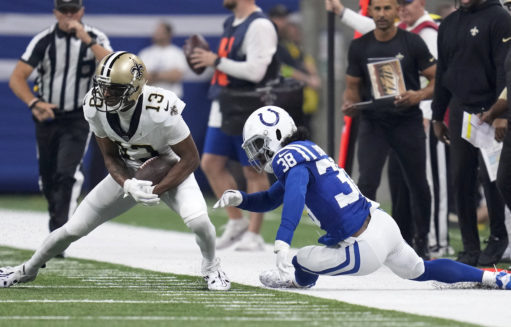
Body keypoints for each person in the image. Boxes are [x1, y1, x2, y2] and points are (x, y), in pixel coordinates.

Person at [0, 52, 231, 291]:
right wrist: (129, 185)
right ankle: (26, 270)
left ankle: (212, 267)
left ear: (134, 88)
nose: (106, 93)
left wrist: (157, 189)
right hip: (129, 170)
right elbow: (110, 157)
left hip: (171, 168)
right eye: (103, 86)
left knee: (199, 222)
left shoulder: (160, 107)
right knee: (73, 229)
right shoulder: (94, 104)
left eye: (115, 88)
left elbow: (190, 158)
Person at [213, 105, 511, 290]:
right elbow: (271, 197)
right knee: (420, 269)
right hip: (383, 225)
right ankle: (494, 279)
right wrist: (240, 198)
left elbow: (294, 194)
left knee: (302, 259)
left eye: (259, 144)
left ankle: (295, 280)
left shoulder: (289, 158)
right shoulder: (306, 151)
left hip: (364, 246)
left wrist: (282, 240)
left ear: (277, 134)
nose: (258, 154)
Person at [326, 0, 447, 259]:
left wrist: (418, 95)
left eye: (387, 8)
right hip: (374, 123)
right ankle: (364, 241)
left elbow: (438, 80)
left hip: (407, 122)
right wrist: (349, 104)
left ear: (396, 11)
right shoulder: (360, 46)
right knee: (367, 181)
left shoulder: (412, 42)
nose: (382, 14)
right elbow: (352, 87)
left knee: (418, 184)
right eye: (377, 9)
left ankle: (422, 241)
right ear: (370, 12)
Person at [9, 0, 112, 237]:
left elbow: (112, 65)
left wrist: (86, 39)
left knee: (67, 174)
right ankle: (58, 223)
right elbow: (17, 77)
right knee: (48, 179)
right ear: (55, 13)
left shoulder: (95, 37)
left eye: (73, 10)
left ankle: (59, 235)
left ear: (82, 11)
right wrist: (34, 103)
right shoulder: (43, 41)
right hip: (48, 116)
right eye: (64, 10)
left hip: (78, 116)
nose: (69, 15)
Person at [189, 0, 280, 251]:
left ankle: (254, 233)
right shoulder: (231, 22)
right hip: (225, 100)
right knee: (211, 163)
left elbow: (255, 72)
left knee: (254, 170)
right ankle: (237, 222)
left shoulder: (260, 25)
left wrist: (215, 60)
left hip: (249, 104)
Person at [432, 0, 511, 266]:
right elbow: (443, 70)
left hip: (490, 109)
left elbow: (505, 69)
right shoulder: (450, 23)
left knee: (492, 179)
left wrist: (502, 114)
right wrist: (436, 115)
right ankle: (470, 247)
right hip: (460, 110)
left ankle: (498, 239)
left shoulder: (499, 17)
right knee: (460, 179)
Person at [269, 5, 321, 137]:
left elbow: (303, 61)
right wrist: (307, 79)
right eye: (280, 18)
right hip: (278, 102)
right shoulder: (271, 43)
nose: (284, 22)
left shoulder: (288, 45)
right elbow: (282, 69)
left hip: (297, 102)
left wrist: (312, 75)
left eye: (285, 18)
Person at [138, 21, 188, 98]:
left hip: (171, 99)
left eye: (160, 32)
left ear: (169, 34)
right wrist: (166, 74)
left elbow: (177, 76)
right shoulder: (145, 53)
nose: (156, 34)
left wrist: (154, 75)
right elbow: (141, 78)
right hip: (148, 99)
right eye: (156, 31)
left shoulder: (177, 53)